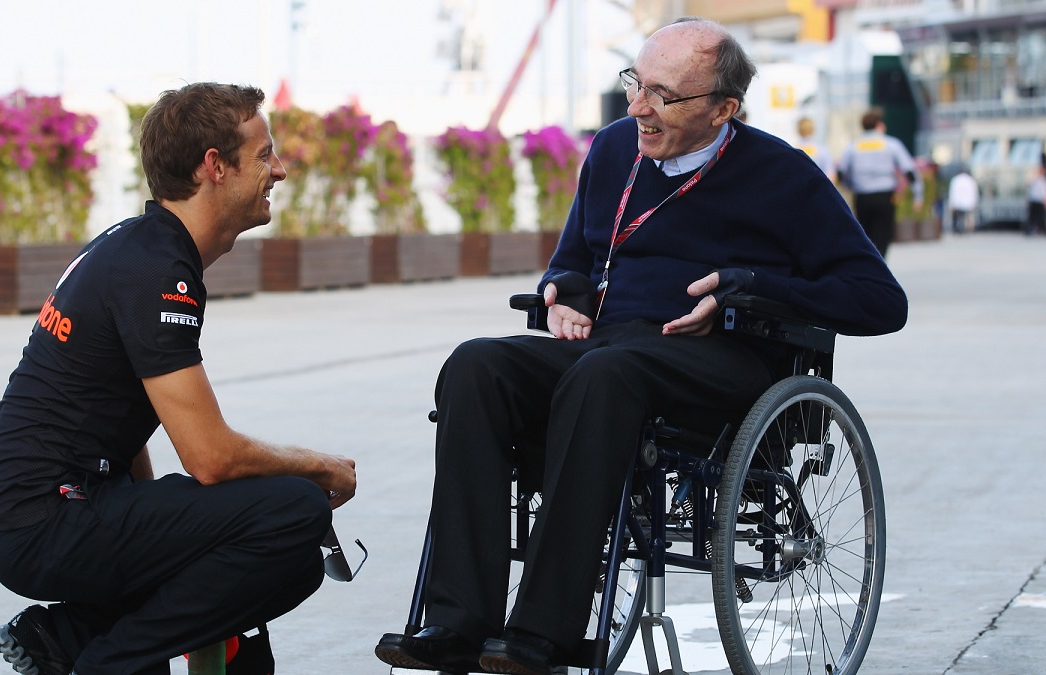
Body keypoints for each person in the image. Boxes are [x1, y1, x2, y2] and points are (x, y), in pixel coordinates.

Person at [375, 17, 907, 675]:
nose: (637, 108)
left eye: (662, 95)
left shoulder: (783, 176)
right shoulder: (613, 149)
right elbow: (574, 256)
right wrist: (561, 290)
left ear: (722, 109)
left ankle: (543, 634)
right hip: (611, 345)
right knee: (476, 364)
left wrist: (748, 288)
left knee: (607, 373)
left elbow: (881, 300)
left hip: (724, 358)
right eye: (636, 84)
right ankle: (456, 620)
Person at [0, 83, 358, 675]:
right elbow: (211, 458)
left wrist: (156, 514)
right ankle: (99, 658)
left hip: (50, 509)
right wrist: (319, 466)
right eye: (263, 155)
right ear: (214, 167)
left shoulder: (140, 248)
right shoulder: (157, 271)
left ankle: (72, 637)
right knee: (295, 512)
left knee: (295, 556)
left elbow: (124, 422)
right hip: (44, 520)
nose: (279, 170)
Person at [837, 107, 922, 257]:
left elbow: (842, 172)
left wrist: (850, 185)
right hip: (885, 196)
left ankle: (868, 267)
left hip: (862, 196)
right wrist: (917, 195)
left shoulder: (853, 146)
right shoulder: (891, 144)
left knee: (865, 236)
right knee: (883, 236)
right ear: (879, 125)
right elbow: (909, 171)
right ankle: (881, 265)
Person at [796, 115, 836, 181]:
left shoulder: (793, 150)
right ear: (813, 130)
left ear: (798, 130)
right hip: (819, 189)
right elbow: (831, 175)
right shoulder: (823, 150)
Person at [946, 165, 979, 234]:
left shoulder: (955, 180)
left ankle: (958, 228)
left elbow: (953, 193)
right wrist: (974, 203)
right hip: (967, 202)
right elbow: (974, 193)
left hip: (958, 202)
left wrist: (951, 204)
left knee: (958, 217)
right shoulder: (971, 180)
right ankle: (964, 229)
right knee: (966, 217)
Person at [1026, 158, 1046, 236]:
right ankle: (1030, 230)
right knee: (1033, 217)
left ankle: (1039, 229)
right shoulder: (1037, 179)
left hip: (1037, 200)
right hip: (1035, 200)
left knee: (1039, 217)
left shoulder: (1041, 180)